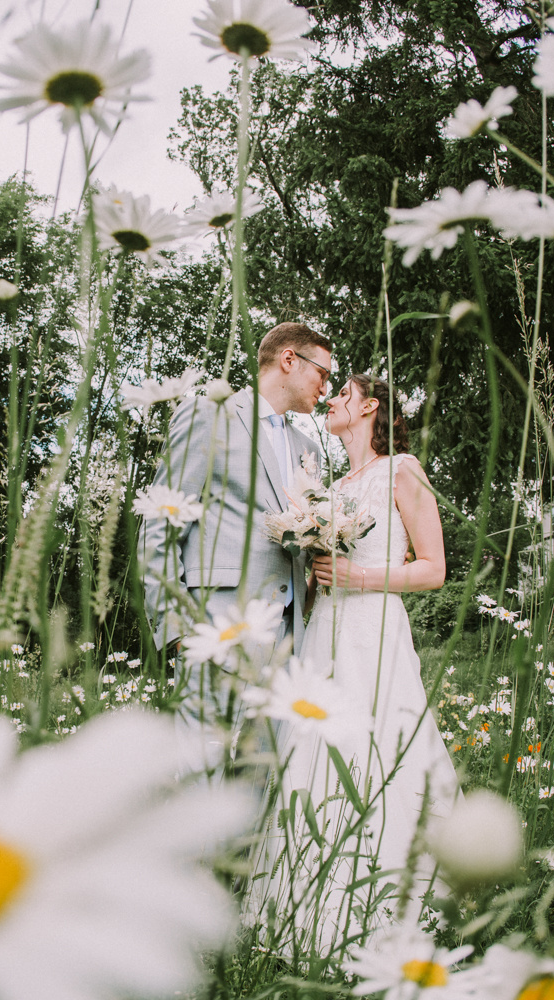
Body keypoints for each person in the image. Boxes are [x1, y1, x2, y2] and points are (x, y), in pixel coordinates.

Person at [254, 373, 459, 953]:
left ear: (369, 406)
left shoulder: (404, 469)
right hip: (326, 634)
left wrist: (359, 577)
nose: (332, 401)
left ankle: (396, 910)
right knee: (316, 756)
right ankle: (311, 906)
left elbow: (434, 569)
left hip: (374, 632)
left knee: (380, 751)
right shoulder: (332, 486)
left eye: (342, 393)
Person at [137, 322, 334, 768]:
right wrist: (176, 627)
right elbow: (160, 521)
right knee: (198, 772)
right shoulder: (209, 413)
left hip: (288, 639)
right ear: (289, 359)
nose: (326, 386)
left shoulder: (310, 450)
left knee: (260, 781)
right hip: (214, 626)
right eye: (322, 373)